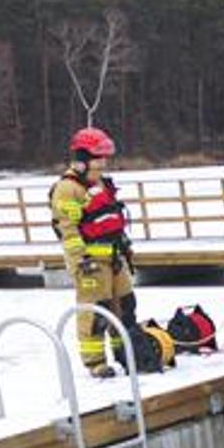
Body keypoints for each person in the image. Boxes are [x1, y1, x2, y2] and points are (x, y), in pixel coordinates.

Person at [49, 127, 136, 377]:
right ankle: (95, 362)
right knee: (95, 311)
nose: (103, 164)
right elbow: (68, 230)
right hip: (91, 262)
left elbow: (111, 218)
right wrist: (81, 260)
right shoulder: (68, 189)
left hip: (114, 256)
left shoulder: (100, 184)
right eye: (99, 159)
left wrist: (124, 249)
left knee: (125, 306)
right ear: (83, 160)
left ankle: (126, 353)